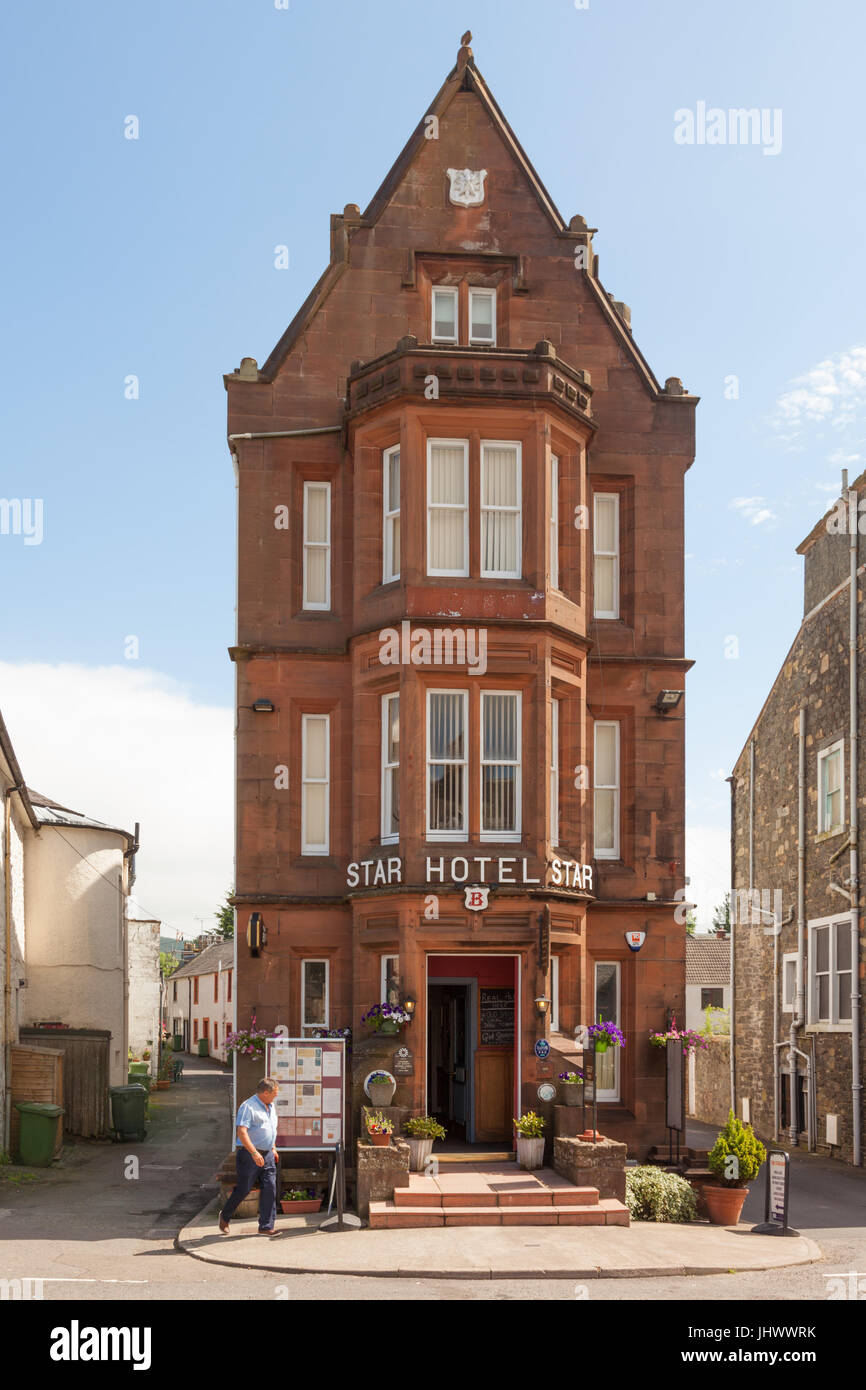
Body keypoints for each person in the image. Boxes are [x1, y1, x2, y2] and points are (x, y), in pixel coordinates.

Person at [219, 1077, 280, 1235]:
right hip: (249, 1154)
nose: (276, 1096)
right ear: (265, 1093)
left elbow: (271, 1128)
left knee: (270, 1188)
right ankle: (225, 1216)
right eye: (274, 1093)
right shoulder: (248, 1107)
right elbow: (242, 1132)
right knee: (244, 1189)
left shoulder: (271, 1106)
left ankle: (266, 1226)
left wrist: (272, 1147)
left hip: (267, 1155)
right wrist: (254, 1152)